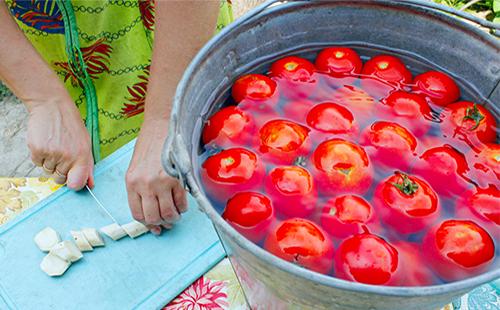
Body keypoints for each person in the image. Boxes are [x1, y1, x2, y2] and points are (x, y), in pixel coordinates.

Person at [0, 0, 232, 234]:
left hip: (177, 45)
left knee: (218, 180)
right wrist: (44, 98)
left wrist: (164, 119)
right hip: (55, 59)